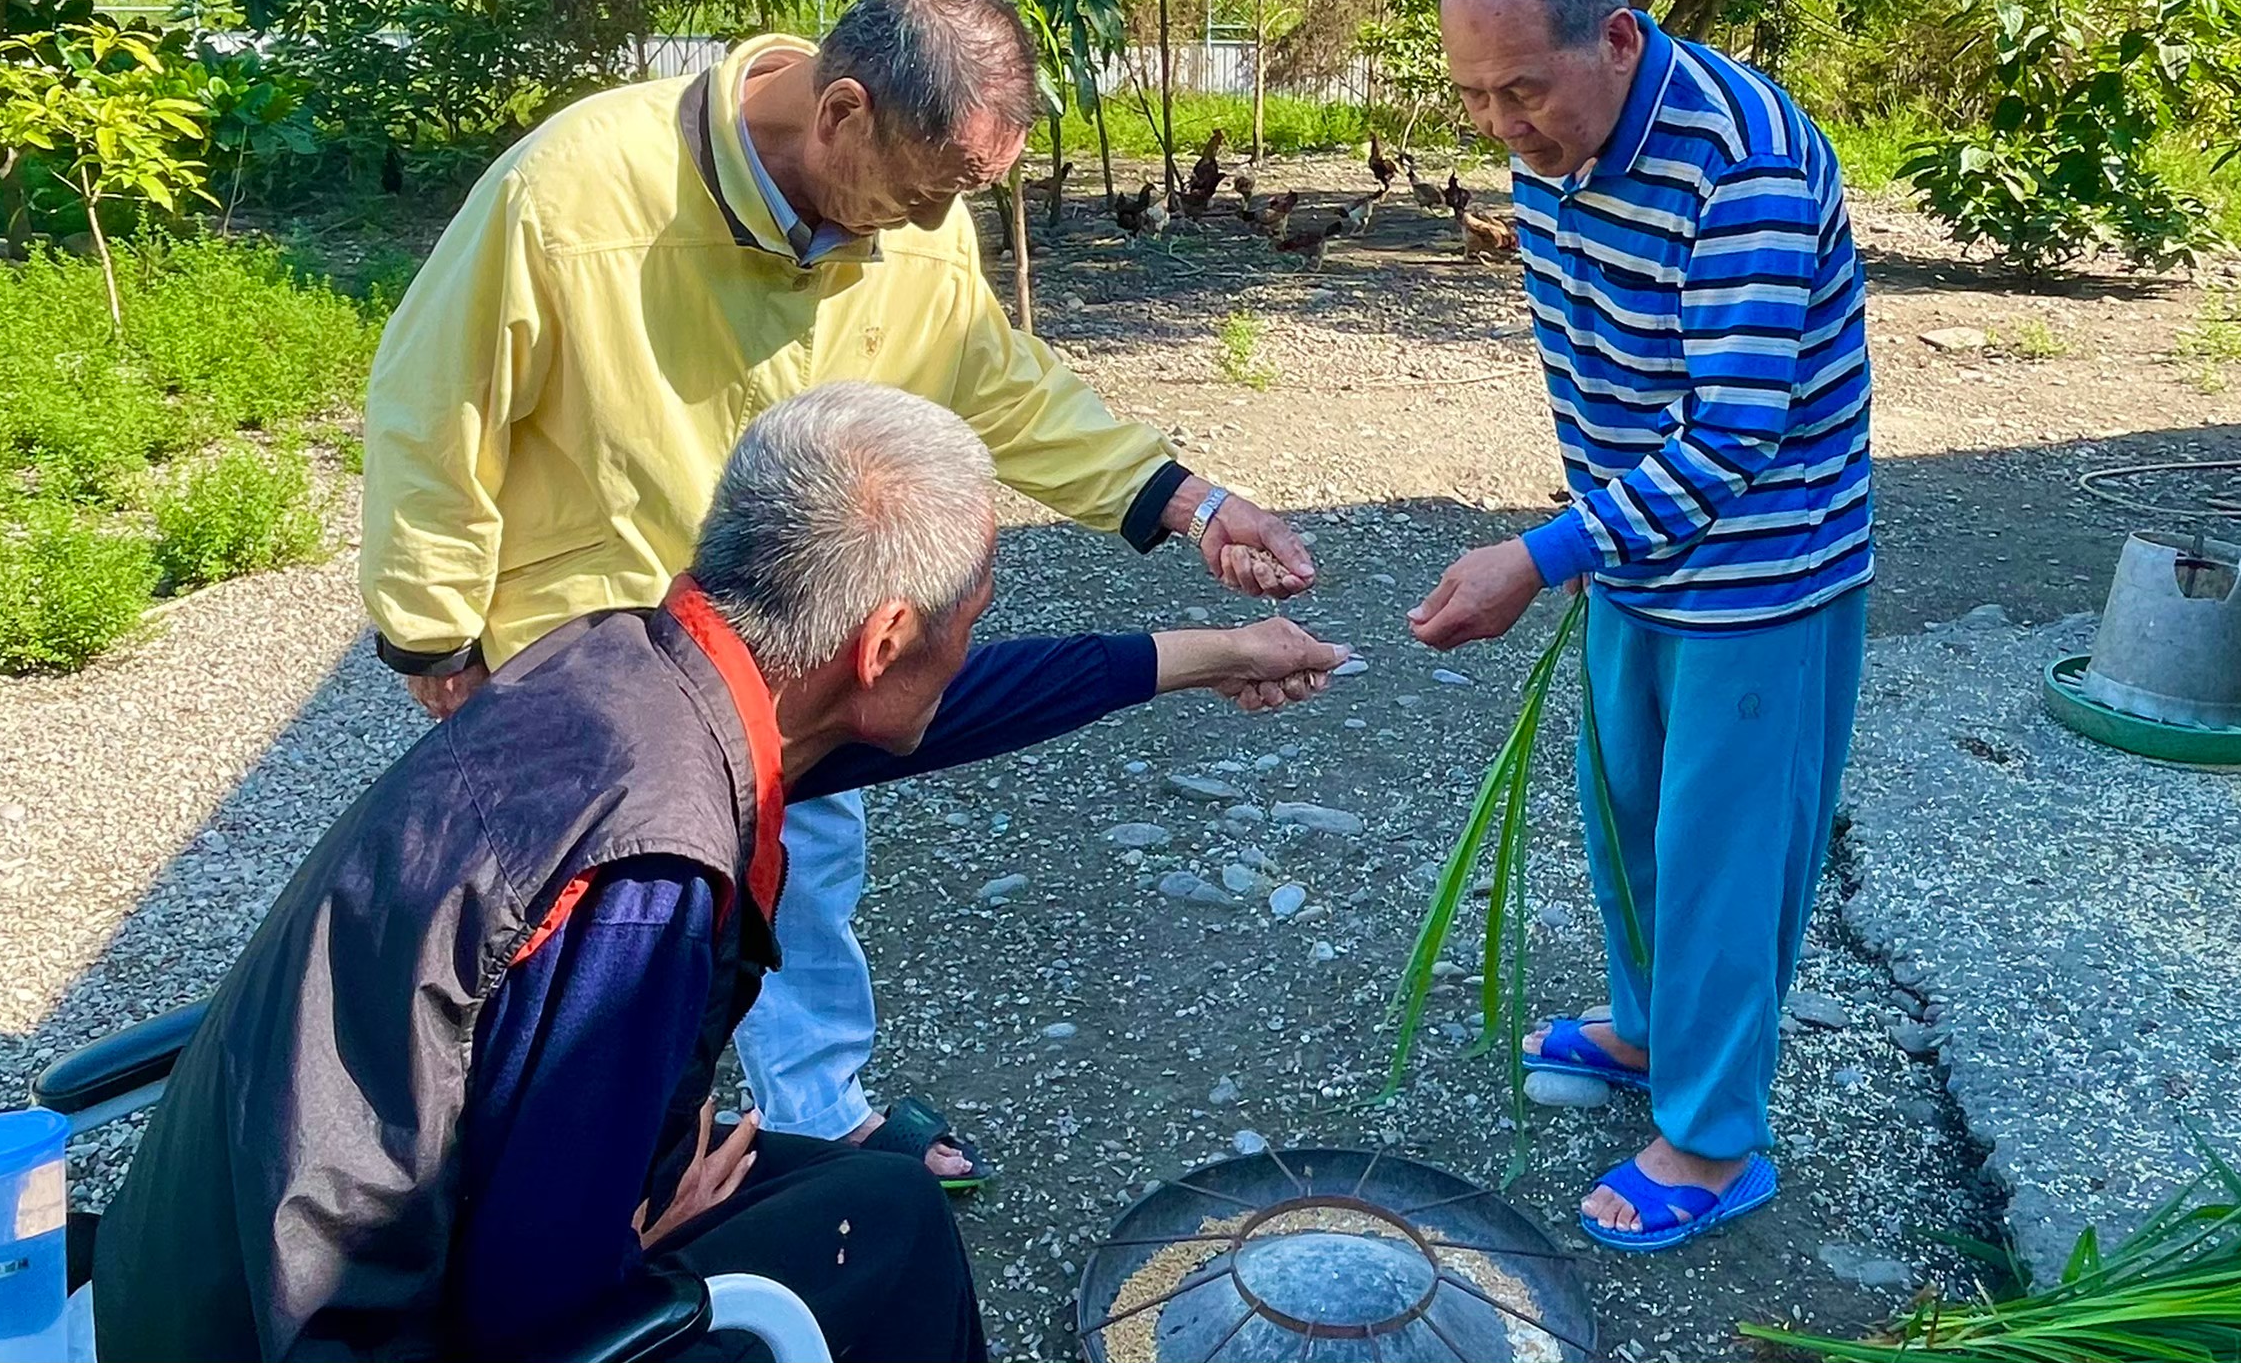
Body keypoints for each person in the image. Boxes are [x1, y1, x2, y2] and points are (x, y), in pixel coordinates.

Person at [94, 384, 1349, 1362]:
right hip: (348, 1331)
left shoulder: (625, 670)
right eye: (965, 624)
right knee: (892, 1226)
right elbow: (538, 1305)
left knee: (832, 1179)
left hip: (222, 1261)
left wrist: (1212, 650)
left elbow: (926, 707)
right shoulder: (656, 876)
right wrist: (642, 1231)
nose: (970, 651)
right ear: (886, 639)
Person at [359, 0, 1315, 1183]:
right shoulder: (577, 188)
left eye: (956, 197)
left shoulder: (917, 221)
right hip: (593, 652)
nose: (928, 224)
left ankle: (808, 1115)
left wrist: (1190, 502)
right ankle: (576, 1179)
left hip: (792, 642)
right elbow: (434, 406)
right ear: (843, 111)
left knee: (807, 877)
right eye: (925, 189)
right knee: (592, 941)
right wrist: (434, 636)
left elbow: (995, 383)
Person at [1409, 0, 1871, 1252]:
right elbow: (1592, 364)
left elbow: (1738, 429)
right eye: (1474, 95)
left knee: (1724, 852)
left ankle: (1718, 1136)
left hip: (1765, 570)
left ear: (1617, 36)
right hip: (1634, 553)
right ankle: (1652, 1028)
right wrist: (1589, 540)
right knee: (1624, 814)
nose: (1502, 126)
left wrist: (1542, 551)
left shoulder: (1747, 164)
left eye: (1523, 89)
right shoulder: (1548, 148)